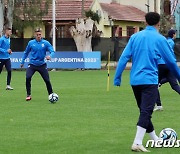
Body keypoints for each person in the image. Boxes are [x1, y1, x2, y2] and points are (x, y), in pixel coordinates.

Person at [114, 12, 180, 152]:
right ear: (159, 23)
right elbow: (171, 62)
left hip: (135, 81)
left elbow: (124, 58)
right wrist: (179, 78)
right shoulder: (160, 39)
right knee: (146, 111)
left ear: (145, 22)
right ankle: (137, 142)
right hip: (149, 80)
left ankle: (155, 138)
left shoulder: (135, 37)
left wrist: (117, 77)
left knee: (144, 110)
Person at [20, 28, 55, 101]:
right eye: (37, 35)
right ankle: (28, 95)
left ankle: (51, 94)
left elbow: (52, 51)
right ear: (35, 35)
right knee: (28, 77)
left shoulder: (45, 43)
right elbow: (26, 52)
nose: (39, 36)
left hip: (42, 65)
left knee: (47, 80)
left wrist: (50, 56)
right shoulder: (31, 43)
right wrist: (22, 61)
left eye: (40, 34)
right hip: (32, 65)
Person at [154, 29, 180, 111]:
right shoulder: (170, 42)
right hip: (168, 64)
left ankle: (159, 105)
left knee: (154, 85)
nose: (176, 35)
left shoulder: (167, 41)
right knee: (174, 85)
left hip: (162, 64)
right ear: (173, 35)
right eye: (175, 34)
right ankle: (160, 83)